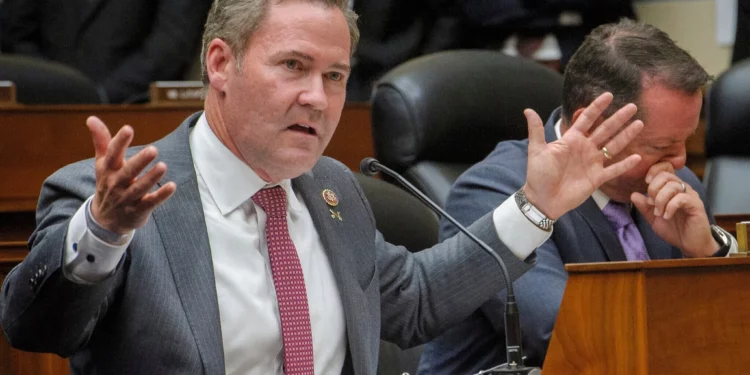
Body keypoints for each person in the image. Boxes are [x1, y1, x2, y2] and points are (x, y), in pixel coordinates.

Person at [0, 1, 643, 374]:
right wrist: (104, 233)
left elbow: (413, 301)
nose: (318, 97)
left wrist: (536, 208)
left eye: (335, 76)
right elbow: (34, 328)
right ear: (220, 64)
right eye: (293, 67)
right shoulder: (114, 195)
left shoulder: (330, 188)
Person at [418, 19, 738, 374]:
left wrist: (709, 253)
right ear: (596, 124)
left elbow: (735, 336)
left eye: (687, 141)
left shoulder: (679, 188)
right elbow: (568, 336)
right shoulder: (496, 193)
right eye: (661, 146)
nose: (679, 161)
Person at [0, 0, 212, 103]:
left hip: (132, 110)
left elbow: (170, 45)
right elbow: (15, 32)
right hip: (38, 113)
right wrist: (52, 87)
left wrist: (99, 96)